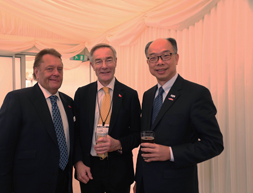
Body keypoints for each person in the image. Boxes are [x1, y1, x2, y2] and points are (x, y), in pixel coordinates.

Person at [134, 38, 224, 193]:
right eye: (153, 58)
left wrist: (170, 153)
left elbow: (214, 144)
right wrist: (139, 180)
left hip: (177, 185)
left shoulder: (196, 94)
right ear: (148, 62)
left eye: (166, 55)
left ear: (176, 58)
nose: (159, 62)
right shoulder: (148, 95)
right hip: (146, 184)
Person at [0, 49, 74, 193]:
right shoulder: (18, 100)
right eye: (50, 69)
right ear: (37, 72)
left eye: (59, 69)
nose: (56, 73)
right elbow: (1, 153)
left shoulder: (68, 103)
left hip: (63, 184)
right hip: (30, 186)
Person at [74, 43, 141, 193]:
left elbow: (138, 135)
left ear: (116, 62)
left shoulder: (130, 95)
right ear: (92, 65)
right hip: (88, 169)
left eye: (109, 60)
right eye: (98, 61)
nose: (104, 66)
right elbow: (75, 133)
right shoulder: (81, 94)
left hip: (119, 171)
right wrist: (78, 163)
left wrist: (118, 144)